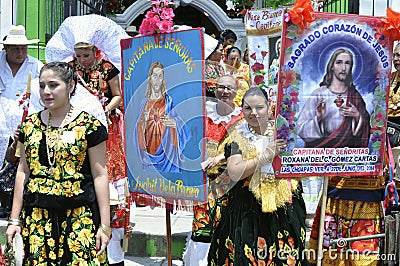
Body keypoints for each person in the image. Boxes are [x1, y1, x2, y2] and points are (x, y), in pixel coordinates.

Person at [5, 62, 110, 264]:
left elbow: (100, 174)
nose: (46, 92)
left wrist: (104, 224)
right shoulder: (30, 125)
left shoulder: (89, 126)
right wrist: (14, 219)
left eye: (53, 85)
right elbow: (22, 172)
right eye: (42, 86)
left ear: (70, 86)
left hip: (79, 217)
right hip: (37, 218)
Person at [208, 87, 307, 265]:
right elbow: (235, 171)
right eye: (248, 108)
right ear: (242, 110)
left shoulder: (284, 132)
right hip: (248, 210)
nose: (253, 113)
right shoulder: (237, 135)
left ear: (269, 107)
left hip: (283, 208)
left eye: (259, 107)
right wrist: (264, 157)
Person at [183, 75, 243, 265]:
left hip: (231, 181)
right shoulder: (204, 112)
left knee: (228, 227)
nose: (225, 91)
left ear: (236, 91)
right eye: (221, 87)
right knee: (202, 227)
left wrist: (219, 158)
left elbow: (245, 146)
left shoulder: (242, 117)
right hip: (205, 181)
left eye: (229, 88)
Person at [70, 41, 126, 183]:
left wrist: (106, 108)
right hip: (77, 119)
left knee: (105, 161)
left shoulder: (107, 68)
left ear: (96, 52)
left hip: (105, 119)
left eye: (86, 55)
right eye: (78, 56)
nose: (82, 60)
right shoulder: (70, 68)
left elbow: (117, 96)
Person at [297, 48, 370, 148]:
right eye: (339, 62)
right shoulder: (319, 94)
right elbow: (301, 128)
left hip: (347, 153)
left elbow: (365, 130)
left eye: (347, 63)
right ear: (332, 66)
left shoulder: (355, 96)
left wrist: (357, 116)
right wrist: (318, 118)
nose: (343, 68)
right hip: (321, 154)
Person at [134, 61, 191, 173]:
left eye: (160, 77)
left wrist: (174, 123)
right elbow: (137, 131)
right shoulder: (144, 103)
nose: (157, 80)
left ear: (163, 80)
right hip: (149, 152)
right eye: (155, 76)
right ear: (150, 79)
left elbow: (182, 126)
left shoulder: (168, 101)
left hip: (167, 153)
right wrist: (143, 122)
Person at [0, 25, 43, 100]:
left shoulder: (36, 66)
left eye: (23, 48)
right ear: (6, 48)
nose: (20, 53)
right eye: (15, 49)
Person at [108, 183, 133, 266]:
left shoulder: (121, 220)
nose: (112, 210)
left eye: (114, 206)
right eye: (109, 206)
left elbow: (125, 243)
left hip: (117, 260)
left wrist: (128, 234)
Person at [388, 42, 400, 163]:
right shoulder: (389, 77)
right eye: (395, 55)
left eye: (399, 56)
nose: (396, 59)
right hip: (387, 134)